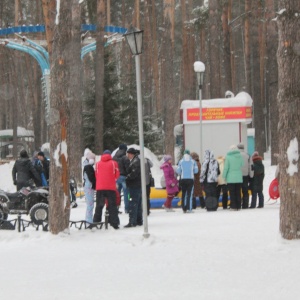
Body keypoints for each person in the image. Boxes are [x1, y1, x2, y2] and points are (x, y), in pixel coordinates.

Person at [93, 150, 120, 229]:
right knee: (112, 205)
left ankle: (96, 222)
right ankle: (114, 223)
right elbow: (117, 174)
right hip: (110, 187)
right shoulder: (114, 163)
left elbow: (96, 175)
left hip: (100, 187)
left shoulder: (97, 164)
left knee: (99, 205)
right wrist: (112, 179)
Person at [124, 148, 143, 227]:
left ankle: (132, 221)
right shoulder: (136, 161)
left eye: (128, 154)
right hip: (136, 185)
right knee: (137, 203)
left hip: (133, 186)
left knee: (133, 203)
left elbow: (133, 174)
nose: (127, 156)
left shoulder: (135, 162)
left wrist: (127, 177)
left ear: (131, 154)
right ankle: (138, 220)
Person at [222, 145, 244, 211]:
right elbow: (242, 164)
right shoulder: (240, 156)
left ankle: (233, 206)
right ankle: (239, 206)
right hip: (239, 177)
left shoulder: (228, 157)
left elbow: (226, 168)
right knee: (238, 192)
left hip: (231, 178)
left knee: (232, 193)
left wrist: (224, 176)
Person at [113, 144, 130, 213]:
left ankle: (116, 208)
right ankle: (127, 209)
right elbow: (128, 168)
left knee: (117, 194)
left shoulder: (114, 157)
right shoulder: (125, 157)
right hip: (124, 176)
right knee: (126, 194)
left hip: (116, 177)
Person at [237, 143, 253, 209]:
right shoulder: (247, 155)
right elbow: (251, 166)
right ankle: (245, 205)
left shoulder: (236, 155)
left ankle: (238, 204)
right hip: (245, 175)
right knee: (245, 191)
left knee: (238, 191)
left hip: (238, 175)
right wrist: (251, 175)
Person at [83, 158, 96, 224]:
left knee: (89, 204)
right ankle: (89, 220)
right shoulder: (89, 168)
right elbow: (91, 178)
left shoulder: (85, 168)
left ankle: (88, 219)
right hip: (89, 187)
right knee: (90, 204)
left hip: (87, 187)